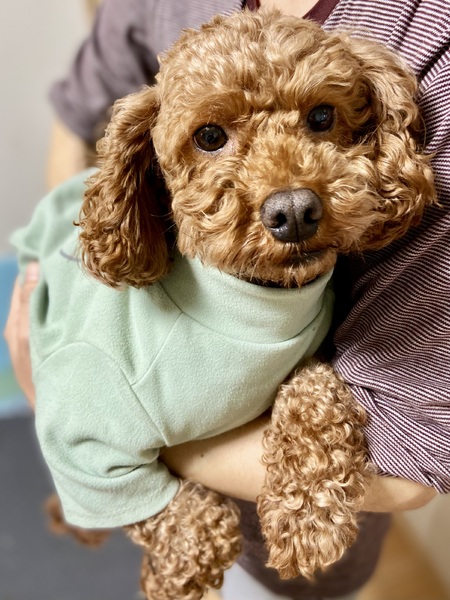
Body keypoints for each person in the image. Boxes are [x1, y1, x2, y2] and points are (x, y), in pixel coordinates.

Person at [5, 0, 449, 598]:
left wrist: (302, 420)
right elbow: (76, 427)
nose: (291, 198)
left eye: (320, 119)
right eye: (212, 138)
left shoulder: (429, 40)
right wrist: (170, 514)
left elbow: (410, 451)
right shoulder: (128, 359)